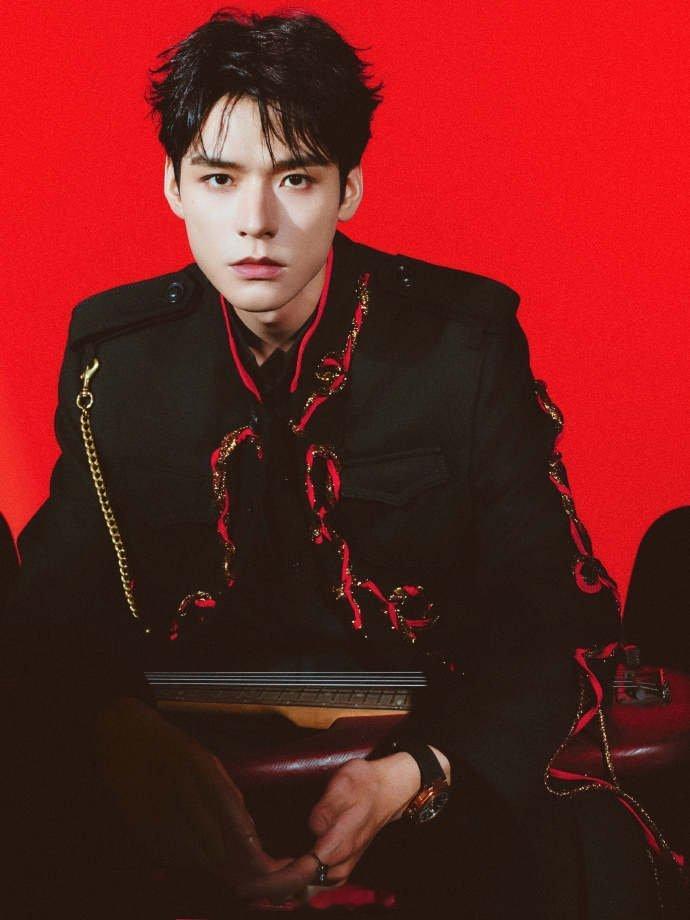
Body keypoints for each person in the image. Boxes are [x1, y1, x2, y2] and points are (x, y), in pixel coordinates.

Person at [3, 8, 682, 918]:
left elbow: (548, 606)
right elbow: (51, 621)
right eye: (218, 178)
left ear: (349, 188)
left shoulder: (463, 343)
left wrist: (420, 770)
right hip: (182, 770)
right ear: (173, 187)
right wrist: (126, 739)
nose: (256, 223)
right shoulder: (112, 359)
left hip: (430, 766)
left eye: (296, 178)